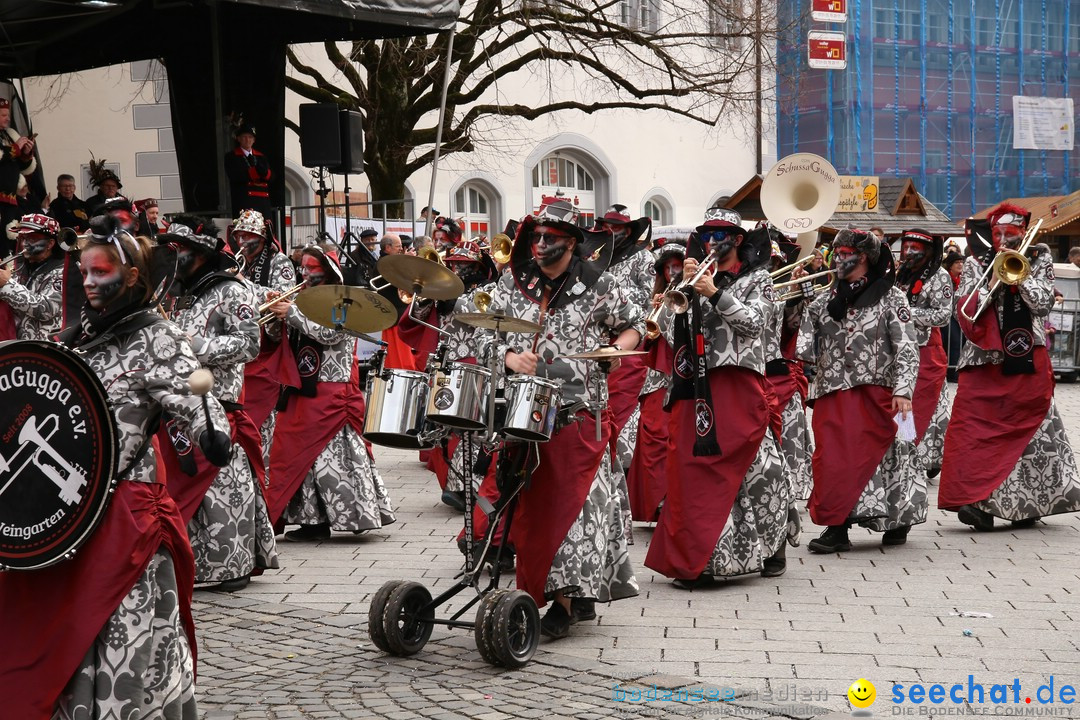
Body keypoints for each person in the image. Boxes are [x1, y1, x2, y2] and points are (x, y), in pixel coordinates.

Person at [0, 221, 232, 718]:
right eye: (83, 271)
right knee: (54, 626)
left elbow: (195, 389)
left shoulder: (160, 336)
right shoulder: (82, 331)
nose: (86, 281)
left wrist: (211, 427)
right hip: (65, 513)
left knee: (120, 627)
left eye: (99, 271)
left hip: (123, 511)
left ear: (130, 276)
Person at [477, 201, 642, 639]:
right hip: (521, 409)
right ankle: (538, 592)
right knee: (532, 509)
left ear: (572, 243)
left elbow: (633, 327)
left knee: (571, 508)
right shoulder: (514, 282)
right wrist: (510, 357)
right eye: (536, 237)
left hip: (579, 410)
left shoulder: (600, 283)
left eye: (551, 238)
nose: (540, 244)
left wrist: (615, 350)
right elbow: (479, 332)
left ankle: (567, 602)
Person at [643, 207, 788, 587]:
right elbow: (675, 341)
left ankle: (774, 545)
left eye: (720, 235)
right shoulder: (691, 279)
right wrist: (684, 296)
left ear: (737, 240)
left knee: (758, 469)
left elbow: (754, 326)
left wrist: (716, 294)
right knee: (695, 470)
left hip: (738, 382)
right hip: (695, 385)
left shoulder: (759, 279)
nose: (711, 241)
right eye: (706, 234)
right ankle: (702, 560)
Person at [157, 215, 278, 591]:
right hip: (177, 405)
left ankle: (233, 565)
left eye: (183, 250)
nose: (175, 256)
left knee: (225, 487)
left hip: (218, 402)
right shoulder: (176, 292)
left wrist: (196, 349)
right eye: (173, 249)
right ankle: (188, 561)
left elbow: (249, 344)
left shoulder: (232, 290)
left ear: (202, 254)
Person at [941, 204, 1080, 530]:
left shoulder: (1039, 258)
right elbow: (964, 309)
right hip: (983, 361)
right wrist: (993, 279)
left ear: (1022, 232)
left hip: (1026, 358)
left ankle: (1026, 505)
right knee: (974, 432)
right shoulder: (976, 262)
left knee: (1028, 434)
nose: (1005, 239)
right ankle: (979, 503)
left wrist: (1019, 275)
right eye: (999, 234)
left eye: (1012, 234)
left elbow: (1043, 303)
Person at [795, 228, 922, 552]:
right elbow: (804, 345)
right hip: (833, 391)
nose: (837, 259)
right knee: (831, 459)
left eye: (844, 253)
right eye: (836, 253)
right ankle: (837, 527)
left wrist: (904, 390)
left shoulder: (893, 296)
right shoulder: (825, 297)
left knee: (901, 451)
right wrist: (799, 294)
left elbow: (908, 347)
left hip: (888, 392)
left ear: (863, 257)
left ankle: (899, 519)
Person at [263, 244, 396, 540]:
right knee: (296, 455)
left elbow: (331, 333)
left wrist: (291, 313)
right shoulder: (299, 298)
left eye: (312, 268)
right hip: (302, 384)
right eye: (304, 267)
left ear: (327, 269)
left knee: (330, 456)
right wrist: (276, 317)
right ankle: (311, 520)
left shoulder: (342, 298)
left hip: (332, 386)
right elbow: (282, 337)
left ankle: (349, 515)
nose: (306, 273)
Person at [592, 204, 654, 544]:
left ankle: (622, 476)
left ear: (628, 231)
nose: (611, 232)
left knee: (619, 414)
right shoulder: (597, 254)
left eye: (617, 227)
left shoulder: (642, 259)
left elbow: (642, 304)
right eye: (607, 226)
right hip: (593, 343)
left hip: (625, 345)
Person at [627, 240, 683, 522]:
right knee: (652, 437)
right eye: (669, 268)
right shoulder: (655, 297)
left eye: (678, 266)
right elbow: (643, 342)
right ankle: (655, 500)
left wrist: (671, 312)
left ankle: (673, 499)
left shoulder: (690, 296)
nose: (673, 272)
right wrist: (653, 312)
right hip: (654, 380)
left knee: (675, 439)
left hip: (681, 376)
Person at [894, 229, 953, 480]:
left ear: (928, 252)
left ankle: (926, 456)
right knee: (902, 403)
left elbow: (943, 314)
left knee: (927, 407)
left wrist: (908, 314)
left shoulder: (940, 276)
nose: (908, 253)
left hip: (927, 349)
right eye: (906, 247)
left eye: (914, 248)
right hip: (900, 348)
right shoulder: (901, 275)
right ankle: (903, 450)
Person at [0, 213, 67, 340]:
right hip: (15, 346)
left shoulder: (62, 271)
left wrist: (7, 284)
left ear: (50, 244)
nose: (24, 243)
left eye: (32, 239)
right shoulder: (20, 267)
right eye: (23, 238)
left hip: (45, 348)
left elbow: (46, 309)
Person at [0, 98, 37, 255]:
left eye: (8, 114)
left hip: (9, 197)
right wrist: (16, 148)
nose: (8, 118)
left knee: (10, 234)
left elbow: (22, 168)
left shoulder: (8, 135)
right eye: (3, 115)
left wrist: (26, 154)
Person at [223, 122, 272, 218]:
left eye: (250, 137)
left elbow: (271, 176)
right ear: (238, 139)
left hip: (263, 202)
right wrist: (255, 173)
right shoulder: (232, 156)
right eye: (244, 137)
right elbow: (235, 176)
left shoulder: (261, 157)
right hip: (244, 201)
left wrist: (265, 173)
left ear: (254, 140)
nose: (247, 140)